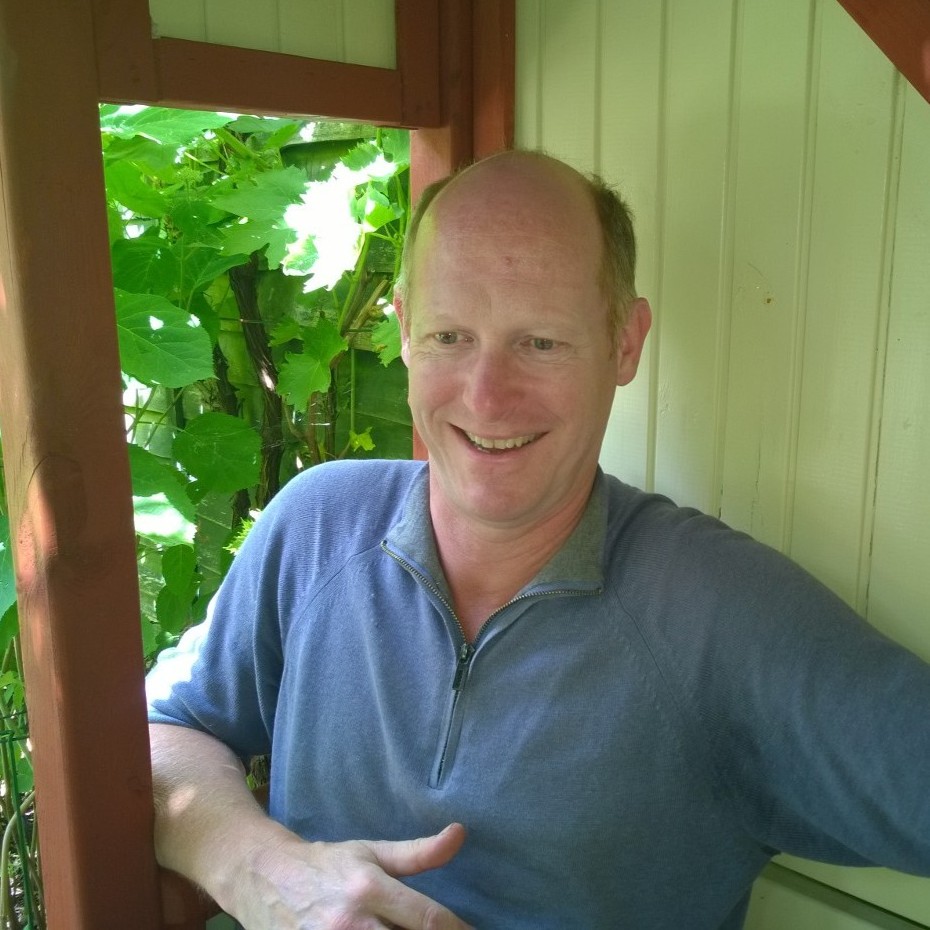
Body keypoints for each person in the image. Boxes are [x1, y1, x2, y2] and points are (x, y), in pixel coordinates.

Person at [146, 151, 930, 930]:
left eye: (541, 342)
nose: (488, 398)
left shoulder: (718, 614)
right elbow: (160, 733)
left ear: (626, 342)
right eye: (451, 335)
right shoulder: (318, 526)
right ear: (406, 328)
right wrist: (258, 868)